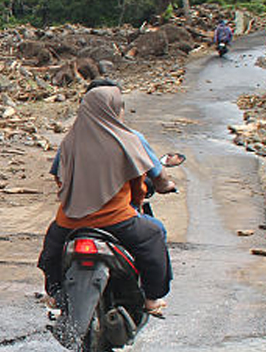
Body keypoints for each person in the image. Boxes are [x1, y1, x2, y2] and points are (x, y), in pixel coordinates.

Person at [38, 80, 174, 314]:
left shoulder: (69, 142)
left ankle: (55, 296)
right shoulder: (128, 140)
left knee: (51, 251)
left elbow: (59, 179)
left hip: (70, 221)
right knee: (153, 236)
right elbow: (139, 184)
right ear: (113, 109)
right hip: (117, 221)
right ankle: (151, 299)